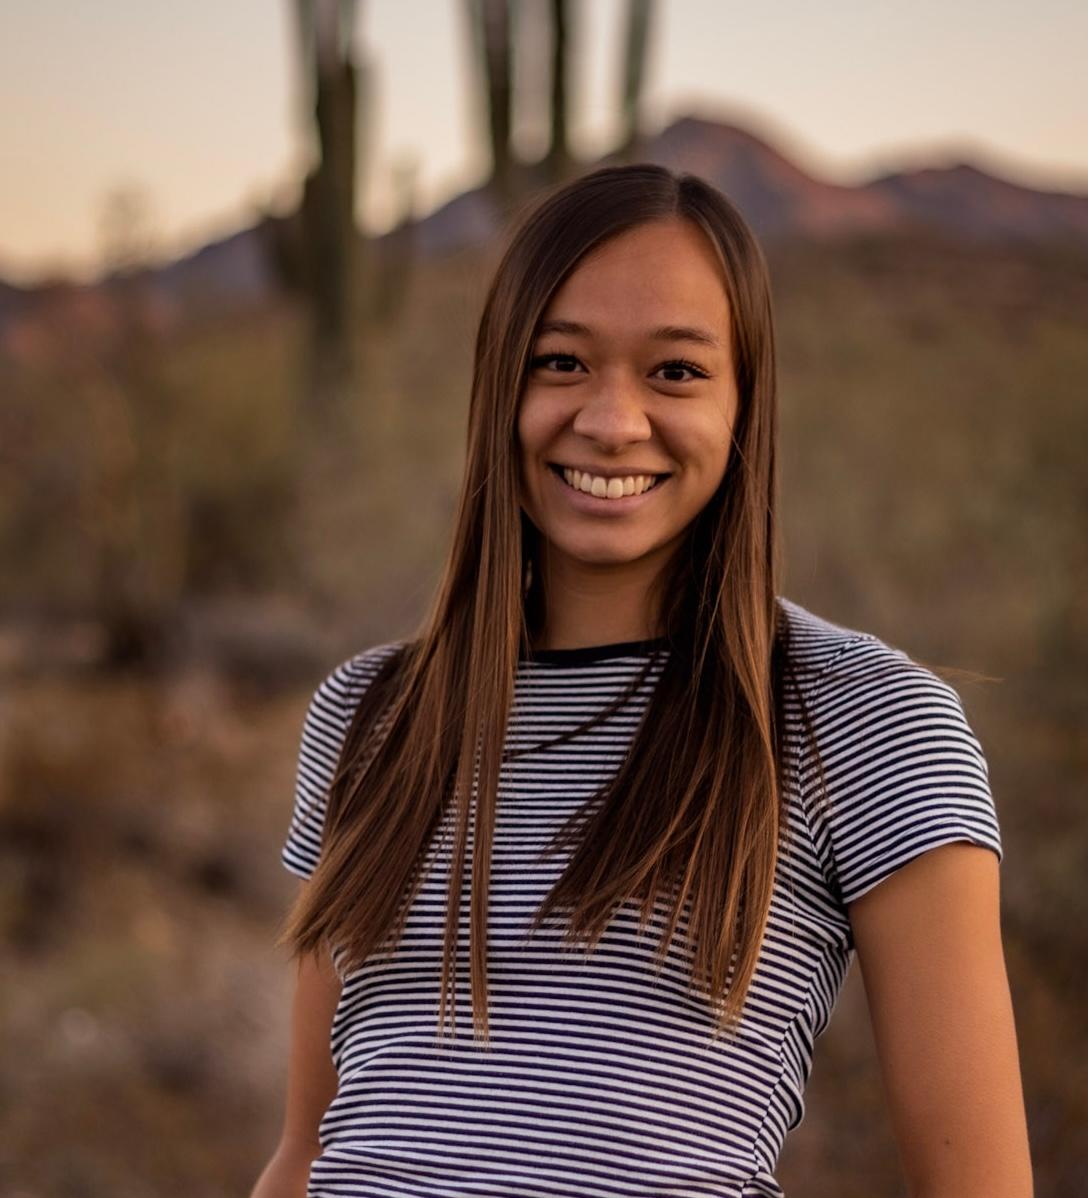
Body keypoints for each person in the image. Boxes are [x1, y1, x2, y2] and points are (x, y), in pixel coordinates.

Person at [250, 163, 1033, 1198]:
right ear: (499, 386)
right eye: (561, 361)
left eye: (675, 371)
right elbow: (308, 1147)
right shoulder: (372, 712)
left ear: (743, 402)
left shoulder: (864, 719)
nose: (613, 420)